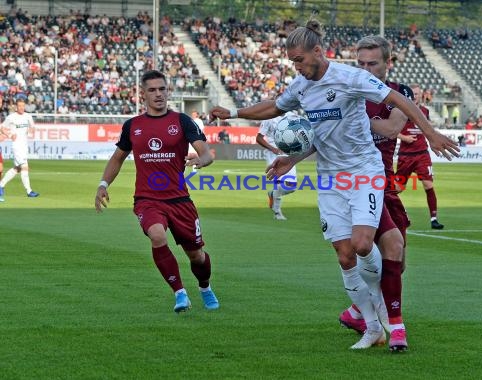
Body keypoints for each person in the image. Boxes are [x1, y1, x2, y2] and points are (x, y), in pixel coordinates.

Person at [211, 19, 459, 350]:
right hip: (330, 177)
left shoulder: (350, 77)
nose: (295, 66)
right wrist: (232, 112)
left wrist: (431, 132)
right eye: (291, 61)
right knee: (345, 256)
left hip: (364, 172)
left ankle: (383, 303)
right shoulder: (301, 85)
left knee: (362, 244)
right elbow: (274, 106)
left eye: (299, 59)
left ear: (318, 51)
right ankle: (372, 327)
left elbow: (401, 101)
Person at [94, 70, 219, 313]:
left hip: (180, 200)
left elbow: (205, 151)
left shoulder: (182, 121)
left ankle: (205, 287)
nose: (158, 94)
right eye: (152, 90)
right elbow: (117, 158)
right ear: (143, 94)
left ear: (167, 91)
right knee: (157, 236)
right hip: (148, 200)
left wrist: (203, 160)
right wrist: (103, 185)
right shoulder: (133, 126)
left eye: (162, 89)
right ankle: (180, 293)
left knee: (197, 256)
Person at [338, 35, 414, 349]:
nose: (366, 69)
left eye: (373, 63)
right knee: (390, 248)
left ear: (388, 63)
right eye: (361, 64)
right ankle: (393, 327)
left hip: (386, 184)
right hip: (358, 181)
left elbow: (392, 128)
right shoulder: (346, 90)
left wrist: (355, 119)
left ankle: (357, 312)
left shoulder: (400, 92)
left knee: (398, 261)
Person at [396, 83, 444, 230]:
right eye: (413, 93)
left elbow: (428, 129)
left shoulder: (424, 111)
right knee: (396, 189)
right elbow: (391, 131)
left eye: (417, 94)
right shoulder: (399, 111)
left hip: (422, 154)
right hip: (405, 156)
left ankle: (434, 219)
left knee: (428, 185)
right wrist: (404, 138)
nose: (415, 96)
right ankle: (399, 214)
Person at [256, 111, 298, 220]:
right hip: (274, 154)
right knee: (279, 182)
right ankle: (277, 213)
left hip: (289, 153)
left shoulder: (292, 115)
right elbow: (259, 138)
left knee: (291, 186)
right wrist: (273, 149)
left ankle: (273, 194)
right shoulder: (268, 117)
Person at [0, 98, 40, 201]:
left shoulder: (28, 116)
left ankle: (1, 185)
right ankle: (29, 191)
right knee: (24, 167)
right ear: (16, 107)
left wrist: (31, 129)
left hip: (24, 146)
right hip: (16, 146)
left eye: (23, 106)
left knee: (17, 168)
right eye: (19, 106)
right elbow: (2, 127)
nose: (21, 108)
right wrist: (9, 135)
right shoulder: (11, 117)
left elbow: (33, 127)